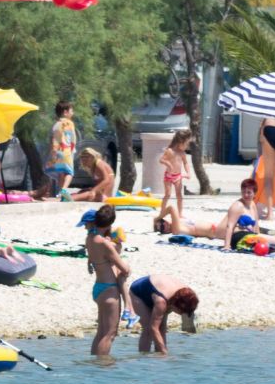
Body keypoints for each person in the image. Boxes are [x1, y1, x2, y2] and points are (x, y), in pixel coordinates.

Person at [83, 208, 131, 356]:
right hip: (110, 290)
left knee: (100, 333)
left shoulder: (90, 239)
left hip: (99, 288)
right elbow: (124, 269)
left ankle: (94, 364)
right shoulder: (105, 244)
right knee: (110, 334)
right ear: (110, 223)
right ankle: (102, 365)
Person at [128, 275, 199, 356]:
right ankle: (143, 358)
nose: (182, 314)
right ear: (175, 306)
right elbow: (153, 328)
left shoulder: (189, 295)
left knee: (162, 328)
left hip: (159, 291)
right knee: (148, 329)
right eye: (182, 312)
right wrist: (165, 353)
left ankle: (159, 357)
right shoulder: (162, 302)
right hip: (138, 291)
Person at [154, 130, 192, 233]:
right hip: (169, 176)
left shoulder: (182, 153)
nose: (187, 146)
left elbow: (185, 163)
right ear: (180, 142)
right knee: (168, 194)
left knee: (179, 196)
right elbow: (161, 160)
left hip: (178, 176)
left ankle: (179, 214)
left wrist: (188, 173)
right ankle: (162, 212)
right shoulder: (170, 151)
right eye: (186, 143)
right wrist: (168, 164)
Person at [47, 102, 78, 197]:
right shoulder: (70, 123)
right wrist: (73, 149)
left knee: (61, 172)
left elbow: (53, 140)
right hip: (67, 151)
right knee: (69, 172)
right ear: (65, 112)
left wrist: (52, 153)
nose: (73, 113)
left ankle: (60, 192)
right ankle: (64, 189)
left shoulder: (56, 125)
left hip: (57, 151)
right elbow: (73, 139)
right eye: (71, 110)